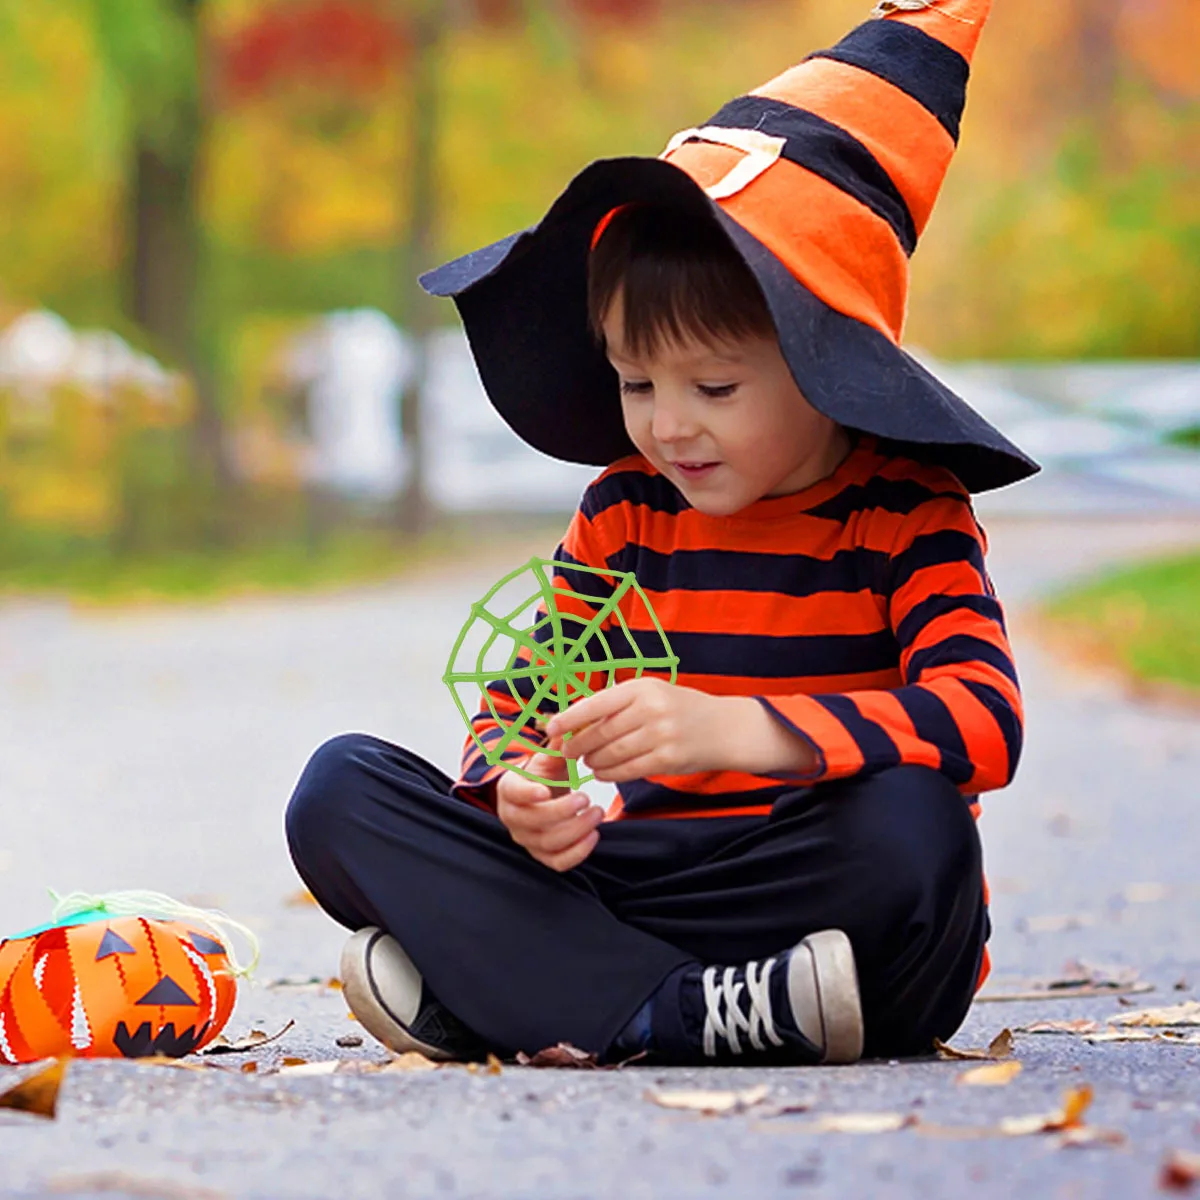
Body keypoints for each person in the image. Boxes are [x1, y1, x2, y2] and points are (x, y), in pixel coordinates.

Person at [285, 0, 1038, 1068]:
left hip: (803, 894)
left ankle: (517, 993)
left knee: (918, 829)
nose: (667, 423)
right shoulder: (627, 510)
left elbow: (981, 721)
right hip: (626, 878)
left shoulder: (901, 509)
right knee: (340, 790)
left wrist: (738, 732)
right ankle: (673, 1010)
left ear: (830, 370)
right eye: (637, 382)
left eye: (715, 386)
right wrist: (518, 790)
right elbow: (518, 706)